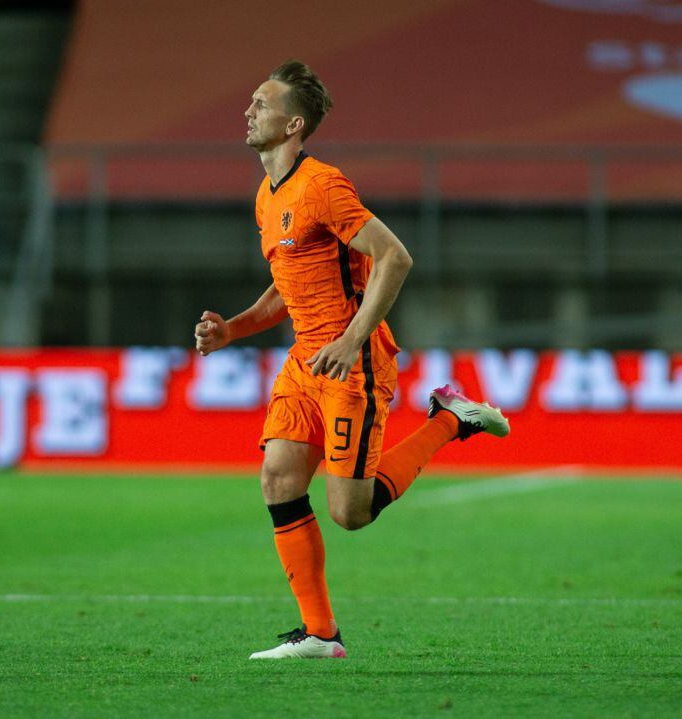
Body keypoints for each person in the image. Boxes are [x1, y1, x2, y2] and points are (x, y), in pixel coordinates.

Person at [194, 61, 509, 659]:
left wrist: (351, 339)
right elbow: (288, 288)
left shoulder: (322, 185)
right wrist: (232, 329)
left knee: (350, 513)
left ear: (293, 124)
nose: (248, 111)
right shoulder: (268, 196)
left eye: (261, 103)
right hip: (305, 361)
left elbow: (394, 257)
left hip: (351, 361)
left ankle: (452, 419)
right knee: (278, 478)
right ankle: (320, 634)